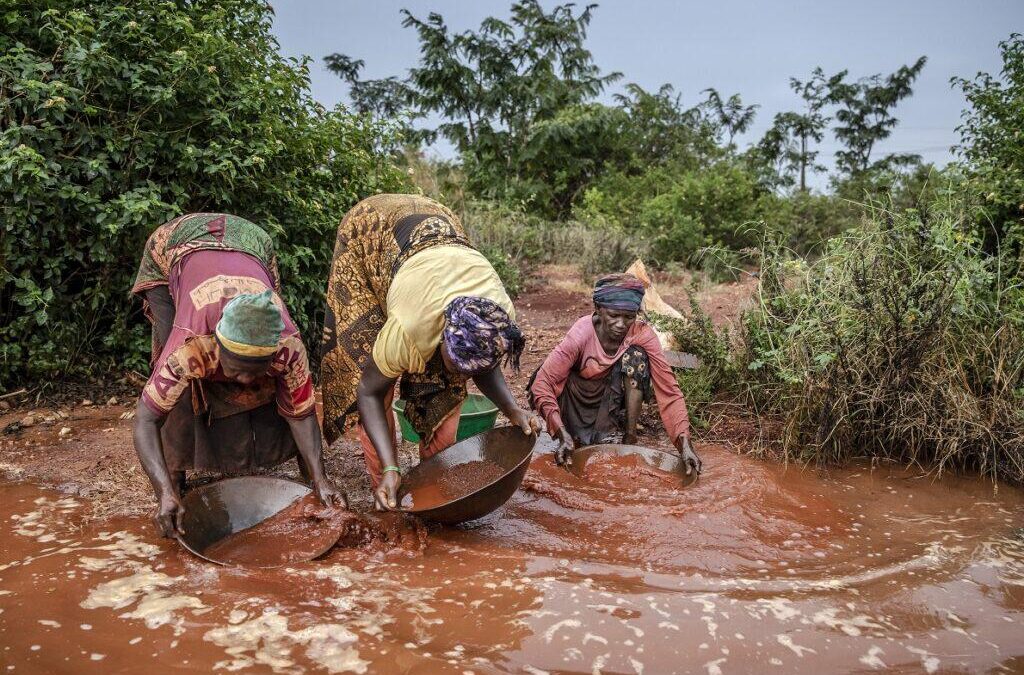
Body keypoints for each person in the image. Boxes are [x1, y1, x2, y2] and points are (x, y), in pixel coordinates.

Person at [320, 194, 542, 510]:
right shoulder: (412, 326)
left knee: (448, 384)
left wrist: (512, 410)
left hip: (439, 229)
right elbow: (367, 391)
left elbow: (483, 364)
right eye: (460, 363)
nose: (466, 376)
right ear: (443, 336)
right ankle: (385, 488)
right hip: (372, 234)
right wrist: (390, 468)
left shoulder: (499, 316)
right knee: (368, 367)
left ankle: (432, 481)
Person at [131, 213, 341, 538]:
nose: (244, 382)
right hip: (172, 248)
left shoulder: (289, 347)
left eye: (256, 373)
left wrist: (320, 480)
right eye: (238, 369)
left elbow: (302, 413)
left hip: (253, 243)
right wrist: (162, 491)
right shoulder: (190, 346)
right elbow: (146, 420)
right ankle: (174, 477)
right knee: (173, 385)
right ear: (217, 348)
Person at [528, 273, 702, 474]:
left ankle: (629, 436)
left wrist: (685, 446)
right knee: (573, 441)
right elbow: (542, 384)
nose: (621, 324)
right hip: (574, 397)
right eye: (613, 316)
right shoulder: (580, 335)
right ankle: (571, 433)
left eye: (629, 317)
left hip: (608, 395)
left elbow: (669, 391)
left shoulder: (641, 333)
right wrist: (560, 433)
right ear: (598, 309)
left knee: (636, 358)